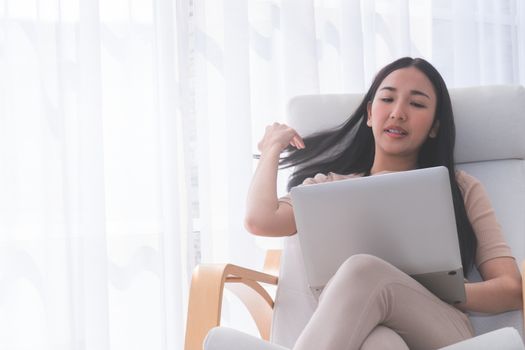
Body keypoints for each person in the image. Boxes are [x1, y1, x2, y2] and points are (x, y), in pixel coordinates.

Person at [244, 57, 523, 349]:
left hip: (439, 325)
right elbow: (259, 220)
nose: (398, 113)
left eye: (417, 104)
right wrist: (271, 148)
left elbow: (510, 289)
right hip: (357, 330)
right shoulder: (327, 187)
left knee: (363, 271)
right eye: (387, 99)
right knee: (381, 342)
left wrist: (430, 286)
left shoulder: (460, 187)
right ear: (369, 113)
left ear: (434, 127)